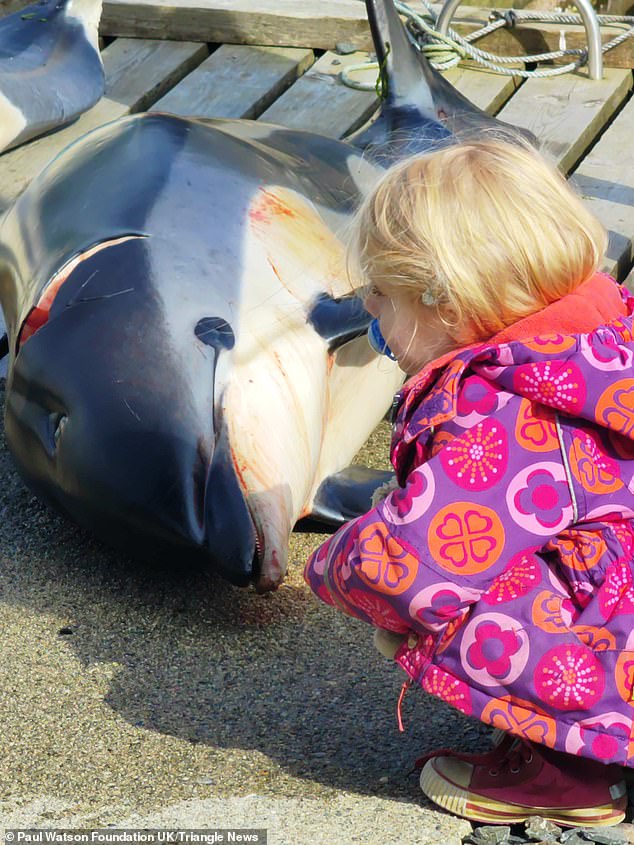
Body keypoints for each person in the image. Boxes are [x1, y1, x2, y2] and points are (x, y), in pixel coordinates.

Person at [304, 138, 634, 827]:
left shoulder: (498, 411)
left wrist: (331, 566)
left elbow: (411, 566)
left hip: (620, 655)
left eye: (381, 292)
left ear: (442, 301)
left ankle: (574, 772)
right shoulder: (603, 337)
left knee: (438, 606)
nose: (366, 301)